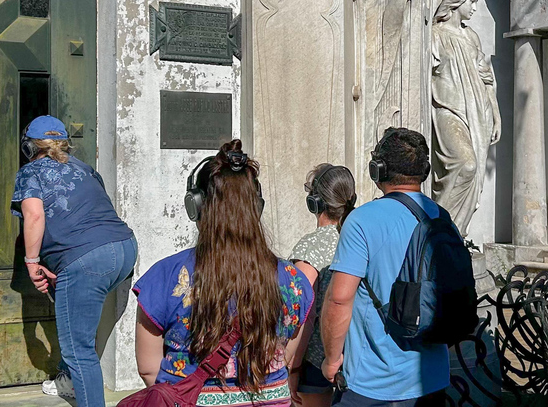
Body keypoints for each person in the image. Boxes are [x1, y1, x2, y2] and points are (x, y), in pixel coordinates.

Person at [133, 140, 314, 406]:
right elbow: (285, 357)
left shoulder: (165, 277)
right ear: (257, 207)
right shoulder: (293, 279)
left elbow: (148, 369)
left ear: (194, 205)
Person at [11, 115, 138, 407]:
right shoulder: (85, 169)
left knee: (78, 349)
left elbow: (34, 215)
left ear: (30, 147)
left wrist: (32, 262)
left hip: (86, 259)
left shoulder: (31, 173)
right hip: (124, 249)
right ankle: (69, 378)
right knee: (72, 304)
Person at [321, 128, 450, 406]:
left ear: (377, 169)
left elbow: (340, 299)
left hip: (373, 383)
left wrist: (331, 361)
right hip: (432, 379)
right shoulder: (441, 217)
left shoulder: (362, 220)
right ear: (424, 171)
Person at [431, 0, 501, 237]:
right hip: (448, 107)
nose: (473, 8)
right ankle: (436, 232)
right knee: (466, 164)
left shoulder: (471, 37)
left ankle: (455, 236)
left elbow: (487, 79)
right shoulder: (435, 35)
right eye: (471, 2)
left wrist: (495, 114)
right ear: (456, 2)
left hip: (477, 111)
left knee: (474, 174)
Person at [288, 164, 356, 407]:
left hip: (316, 363)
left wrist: (292, 369)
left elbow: (303, 315)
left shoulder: (310, 248)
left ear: (314, 202)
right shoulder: (359, 237)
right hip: (357, 359)